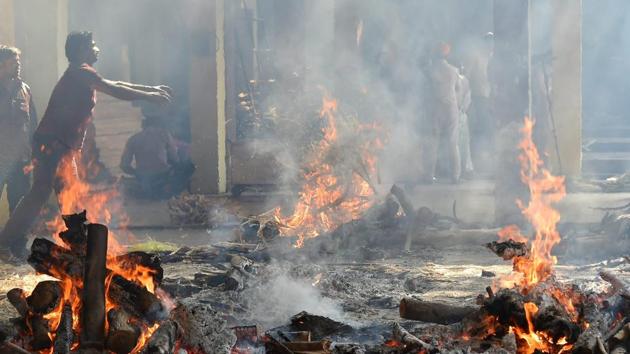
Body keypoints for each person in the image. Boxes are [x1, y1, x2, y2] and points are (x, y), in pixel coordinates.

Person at [0, 31, 172, 262]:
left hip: (56, 144)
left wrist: (150, 89)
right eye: (92, 45)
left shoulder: (82, 73)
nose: (97, 49)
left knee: (49, 194)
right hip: (54, 145)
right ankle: (73, 245)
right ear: (81, 50)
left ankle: (21, 243)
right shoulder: (80, 72)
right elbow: (114, 89)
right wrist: (150, 97)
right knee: (62, 193)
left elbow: (114, 83)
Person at [0, 46, 37, 214]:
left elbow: (32, 124)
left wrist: (33, 154)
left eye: (18, 61)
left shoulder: (25, 89)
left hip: (20, 162)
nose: (18, 65)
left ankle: (15, 240)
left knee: (19, 210)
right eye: (14, 62)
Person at [423, 41, 461, 184]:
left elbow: (426, 90)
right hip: (451, 108)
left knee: (433, 142)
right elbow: (458, 89)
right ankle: (455, 176)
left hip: (435, 109)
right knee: (453, 143)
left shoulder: (430, 70)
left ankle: (429, 176)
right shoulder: (454, 70)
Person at [120, 113, 182, 199]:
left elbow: (124, 165)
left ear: (143, 126)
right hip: (162, 174)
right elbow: (175, 159)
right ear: (159, 125)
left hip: (143, 177)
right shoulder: (164, 135)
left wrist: (137, 173)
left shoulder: (133, 139)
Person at [456, 66, 474, 179]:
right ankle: (464, 169)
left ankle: (461, 170)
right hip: (460, 114)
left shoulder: (460, 79)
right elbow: (468, 98)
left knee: (457, 144)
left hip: (457, 113)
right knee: (462, 144)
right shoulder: (464, 80)